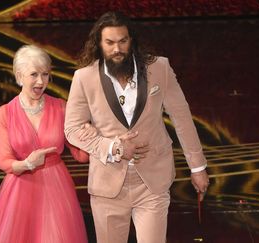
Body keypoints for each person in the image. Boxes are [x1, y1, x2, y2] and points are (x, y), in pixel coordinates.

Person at [64, 11, 210, 243]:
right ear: (99, 44)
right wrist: (113, 147)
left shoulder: (159, 68)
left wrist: (197, 166)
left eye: (123, 41)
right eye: (109, 42)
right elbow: (72, 128)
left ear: (131, 40)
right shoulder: (84, 78)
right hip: (107, 185)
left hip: (152, 181)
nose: (117, 49)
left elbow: (181, 117)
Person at [0, 45, 94, 243]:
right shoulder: (5, 113)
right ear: (19, 75)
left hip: (56, 189)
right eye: (34, 74)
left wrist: (89, 136)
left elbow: (81, 156)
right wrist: (27, 164)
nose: (41, 81)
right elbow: (4, 161)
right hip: (19, 189)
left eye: (45, 74)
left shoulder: (61, 109)